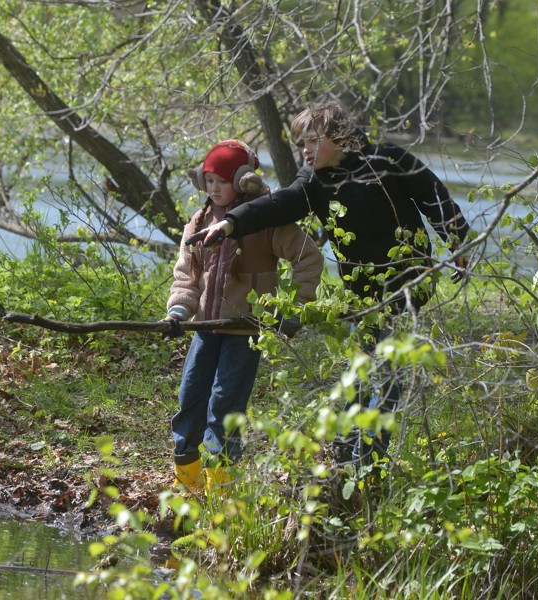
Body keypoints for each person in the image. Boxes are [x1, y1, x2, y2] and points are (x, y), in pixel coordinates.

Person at [191, 103, 471, 467]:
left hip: (407, 281)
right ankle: (345, 452)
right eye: (300, 144)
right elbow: (278, 205)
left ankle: (365, 461)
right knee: (360, 371)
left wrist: (458, 239)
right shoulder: (314, 181)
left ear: (339, 138)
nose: (304, 151)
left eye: (311, 141)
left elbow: (433, 194)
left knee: (386, 374)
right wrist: (231, 224)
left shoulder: (387, 159)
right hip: (361, 292)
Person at [165, 139, 325, 491]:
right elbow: (186, 277)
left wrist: (295, 307)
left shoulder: (267, 219)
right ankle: (187, 489)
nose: (214, 188)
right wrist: (179, 310)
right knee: (189, 401)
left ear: (242, 180)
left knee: (224, 408)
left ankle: (221, 492)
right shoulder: (200, 220)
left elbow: (309, 258)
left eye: (222, 181)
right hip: (205, 329)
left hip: (245, 332)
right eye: (208, 181)